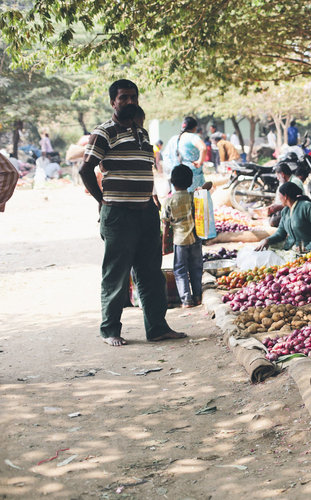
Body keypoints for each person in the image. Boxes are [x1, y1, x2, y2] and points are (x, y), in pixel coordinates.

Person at [79, 78, 186, 346]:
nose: (129, 102)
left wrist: (151, 199)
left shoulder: (142, 133)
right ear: (113, 102)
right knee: (116, 274)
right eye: (123, 97)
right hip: (118, 214)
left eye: (133, 97)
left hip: (146, 212)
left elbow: (142, 170)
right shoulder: (103, 132)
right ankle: (110, 330)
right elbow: (85, 169)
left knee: (151, 272)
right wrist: (102, 201)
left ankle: (157, 328)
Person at [162, 165, 203, 308]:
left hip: (179, 241)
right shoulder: (194, 196)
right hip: (195, 238)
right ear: (191, 182)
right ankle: (198, 296)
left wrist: (164, 243)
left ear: (172, 182)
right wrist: (201, 189)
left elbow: (166, 224)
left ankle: (186, 300)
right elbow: (208, 187)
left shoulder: (169, 201)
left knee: (180, 270)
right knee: (196, 268)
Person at [256, 182, 311, 252]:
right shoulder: (285, 211)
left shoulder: (306, 206)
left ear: (285, 196)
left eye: (280, 196)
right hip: (292, 249)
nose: (279, 199)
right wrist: (267, 240)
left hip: (309, 252)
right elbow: (280, 233)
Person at [163, 117, 206, 192]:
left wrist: (174, 168)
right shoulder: (192, 137)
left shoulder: (173, 139)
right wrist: (200, 161)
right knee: (196, 201)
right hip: (193, 178)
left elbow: (166, 156)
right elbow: (203, 148)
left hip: (177, 178)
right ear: (195, 128)